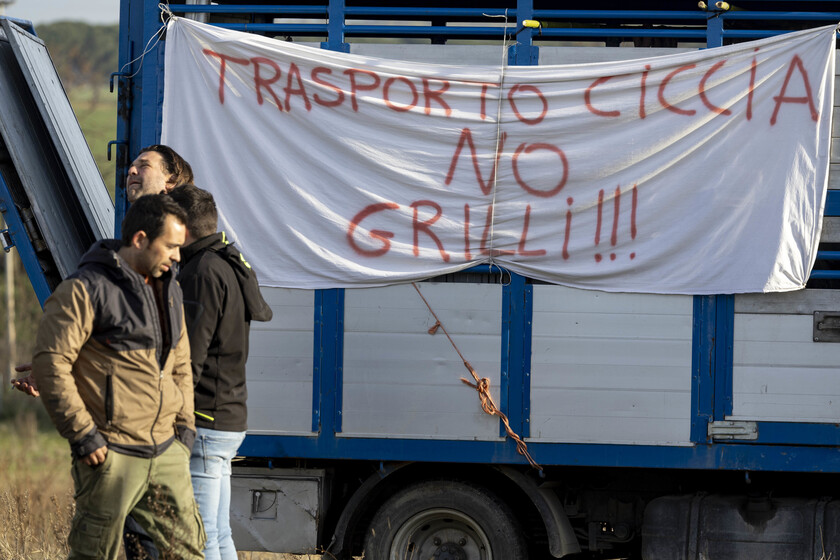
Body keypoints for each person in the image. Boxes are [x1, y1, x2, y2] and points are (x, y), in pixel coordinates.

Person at [31, 193, 206, 560]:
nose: (177, 256)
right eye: (170, 246)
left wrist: (184, 429)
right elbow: (51, 364)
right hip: (111, 453)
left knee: (188, 553)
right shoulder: (84, 289)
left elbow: (180, 363)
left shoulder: (170, 287)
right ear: (140, 239)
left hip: (166, 450)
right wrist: (83, 435)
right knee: (95, 554)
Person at [12, 144, 193, 394]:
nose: (131, 170)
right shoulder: (127, 247)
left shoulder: (185, 240)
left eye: (144, 166)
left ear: (170, 181)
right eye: (132, 166)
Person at [169, 185, 273, 560]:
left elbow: (189, 356)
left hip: (205, 418)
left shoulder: (201, 271)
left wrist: (172, 414)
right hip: (227, 415)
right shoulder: (229, 261)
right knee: (219, 533)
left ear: (182, 226)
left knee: (201, 536)